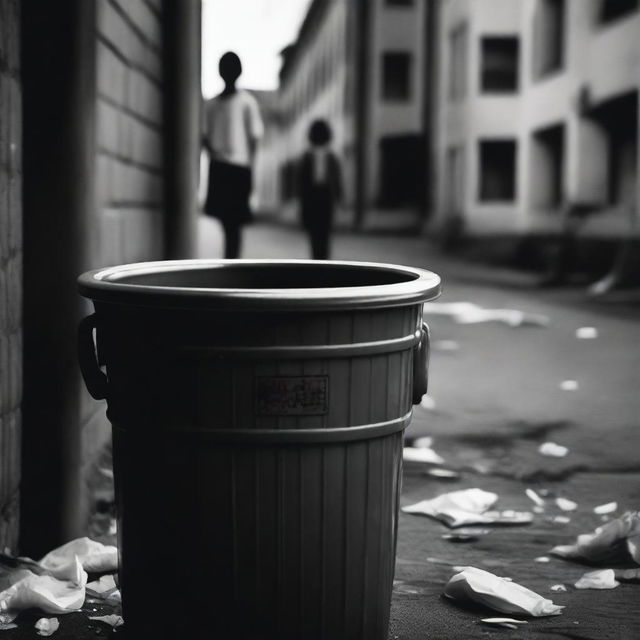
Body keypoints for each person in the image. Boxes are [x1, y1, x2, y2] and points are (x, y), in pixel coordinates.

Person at [202, 52, 263, 258]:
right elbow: (205, 137)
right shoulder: (211, 105)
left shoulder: (247, 103)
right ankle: (231, 258)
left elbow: (254, 138)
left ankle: (231, 259)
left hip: (238, 167)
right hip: (221, 167)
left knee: (233, 223)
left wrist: (249, 168)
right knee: (227, 222)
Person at [297, 119, 343, 260]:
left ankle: (321, 260)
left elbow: (336, 179)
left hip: (322, 196)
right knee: (317, 233)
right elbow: (302, 182)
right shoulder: (310, 156)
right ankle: (319, 260)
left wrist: (339, 197)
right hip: (316, 197)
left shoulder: (329, 156)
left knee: (321, 233)